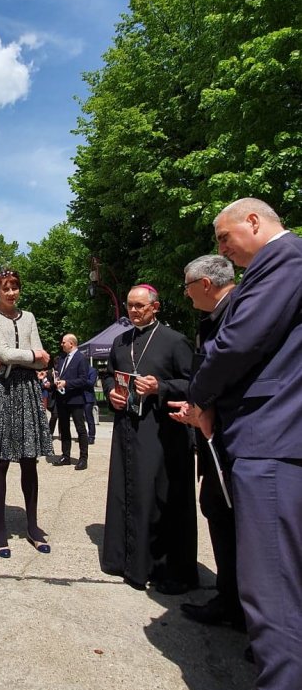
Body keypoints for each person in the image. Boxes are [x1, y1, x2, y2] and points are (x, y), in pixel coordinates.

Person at [171, 199, 302, 690]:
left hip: (271, 449)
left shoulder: (282, 263)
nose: (225, 252)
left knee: (274, 609)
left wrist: (199, 398)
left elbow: (234, 345)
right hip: (279, 444)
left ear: (255, 223)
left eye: (226, 237)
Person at [101, 285, 197, 593]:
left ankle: (162, 569)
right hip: (126, 428)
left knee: (155, 498)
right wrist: (110, 393)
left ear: (155, 308)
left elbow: (193, 383)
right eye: (129, 305)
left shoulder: (174, 340)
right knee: (126, 492)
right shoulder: (120, 341)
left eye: (140, 306)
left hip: (161, 432)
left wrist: (161, 387)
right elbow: (107, 375)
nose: (133, 311)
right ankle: (124, 561)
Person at [172, 254, 244, 631]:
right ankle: (229, 599)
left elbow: (229, 367)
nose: (185, 296)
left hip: (237, 437)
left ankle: (250, 614)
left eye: (186, 287)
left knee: (244, 525)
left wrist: (201, 406)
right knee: (217, 510)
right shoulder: (212, 316)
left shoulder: (241, 310)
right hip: (214, 437)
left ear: (204, 285)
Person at [0, 268, 52, 558]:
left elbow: (36, 357)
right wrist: (32, 357)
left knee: (29, 459)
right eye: (5, 288)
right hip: (3, 391)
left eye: (15, 287)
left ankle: (32, 526)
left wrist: (23, 357)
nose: (11, 293)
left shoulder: (30, 317)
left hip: (27, 391)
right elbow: (7, 353)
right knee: (1, 461)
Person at [52, 334, 91, 470]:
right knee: (64, 428)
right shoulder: (62, 359)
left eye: (63, 342)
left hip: (75, 399)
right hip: (62, 399)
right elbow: (59, 375)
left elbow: (83, 379)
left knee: (80, 429)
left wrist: (67, 383)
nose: (61, 344)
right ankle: (65, 456)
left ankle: (83, 458)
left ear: (71, 344)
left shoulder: (81, 358)